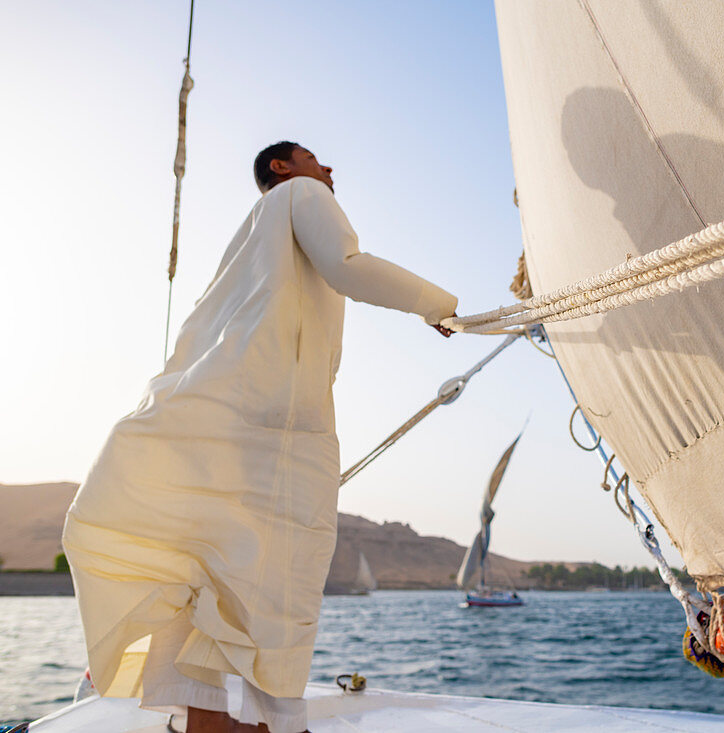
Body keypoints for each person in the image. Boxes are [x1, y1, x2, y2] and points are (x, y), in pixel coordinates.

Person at [62, 142, 458, 733]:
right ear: (282, 168)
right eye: (315, 158)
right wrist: (436, 306)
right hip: (277, 428)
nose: (329, 169)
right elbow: (345, 265)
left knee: (210, 573)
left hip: (221, 414)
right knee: (273, 578)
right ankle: (257, 722)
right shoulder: (304, 195)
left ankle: (212, 722)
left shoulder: (247, 237)